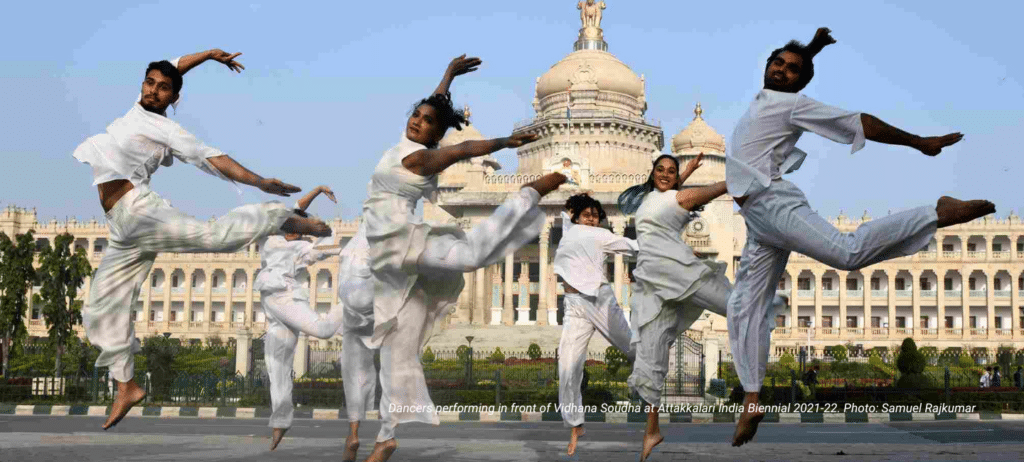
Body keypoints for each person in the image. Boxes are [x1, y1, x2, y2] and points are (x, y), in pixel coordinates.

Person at [725, 27, 996, 447]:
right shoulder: (767, 97)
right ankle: (753, 398)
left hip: (772, 202)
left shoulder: (791, 105)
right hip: (757, 219)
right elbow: (794, 65)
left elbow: (858, 123)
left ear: (800, 82)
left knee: (847, 253)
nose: (780, 70)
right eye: (777, 63)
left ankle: (935, 213)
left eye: (790, 69)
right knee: (743, 305)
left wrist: (918, 142)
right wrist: (809, 50)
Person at [72, 49, 331, 430]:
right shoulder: (137, 110)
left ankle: (281, 219)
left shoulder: (167, 129)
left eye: (163, 89)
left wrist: (259, 181)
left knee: (213, 238)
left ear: (173, 99)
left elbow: (214, 159)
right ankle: (126, 385)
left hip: (140, 212)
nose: (154, 90)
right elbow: (174, 67)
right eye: (149, 83)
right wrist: (209, 55)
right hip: (121, 230)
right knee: (99, 307)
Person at [359, 54, 567, 462]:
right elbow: (436, 108)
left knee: (471, 254)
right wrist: (448, 77)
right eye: (415, 115)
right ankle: (386, 435)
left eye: (426, 121)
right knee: (395, 343)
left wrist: (504, 143)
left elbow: (463, 149)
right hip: (385, 253)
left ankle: (530, 192)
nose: (417, 120)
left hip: (403, 242)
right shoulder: (407, 144)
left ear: (435, 137)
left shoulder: (420, 158)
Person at [618, 153, 786, 462]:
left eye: (672, 171)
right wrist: (688, 169)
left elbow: (714, 190)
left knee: (738, 308)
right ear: (653, 172)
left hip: (680, 271)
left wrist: (740, 176)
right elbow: (665, 195)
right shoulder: (655, 198)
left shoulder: (680, 198)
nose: (666, 175)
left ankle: (752, 399)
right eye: (661, 170)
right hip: (653, 283)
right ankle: (652, 430)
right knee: (651, 352)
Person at [255, 186, 347, 450]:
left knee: (322, 330)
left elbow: (326, 250)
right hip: (271, 305)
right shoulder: (270, 236)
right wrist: (317, 190)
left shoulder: (302, 247)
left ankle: (350, 303)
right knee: (276, 367)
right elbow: (298, 206)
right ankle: (280, 421)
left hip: (285, 299)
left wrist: (344, 249)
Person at [552, 193, 638, 456]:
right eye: (586, 214)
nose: (591, 219)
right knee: (567, 367)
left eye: (596, 216)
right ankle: (575, 424)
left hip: (599, 301)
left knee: (632, 348)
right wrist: (576, 202)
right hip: (574, 305)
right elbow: (568, 214)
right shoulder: (570, 230)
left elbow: (633, 246)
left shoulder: (598, 235)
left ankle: (646, 375)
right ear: (576, 216)